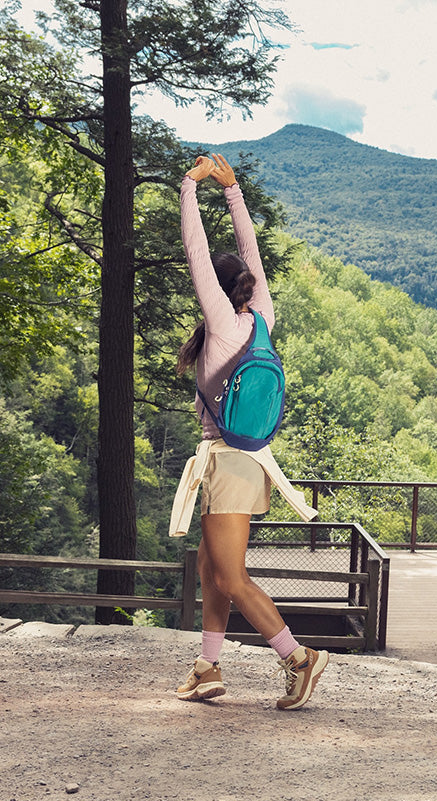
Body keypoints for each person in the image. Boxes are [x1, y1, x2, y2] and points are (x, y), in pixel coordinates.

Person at [170, 153, 328, 711]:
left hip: (231, 465)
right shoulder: (261, 314)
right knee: (212, 569)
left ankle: (298, 659)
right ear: (249, 283)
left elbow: (194, 249)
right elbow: (252, 252)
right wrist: (232, 190)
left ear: (216, 284)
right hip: (246, 460)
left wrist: (190, 185)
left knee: (231, 578)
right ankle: (208, 667)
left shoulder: (218, 321)